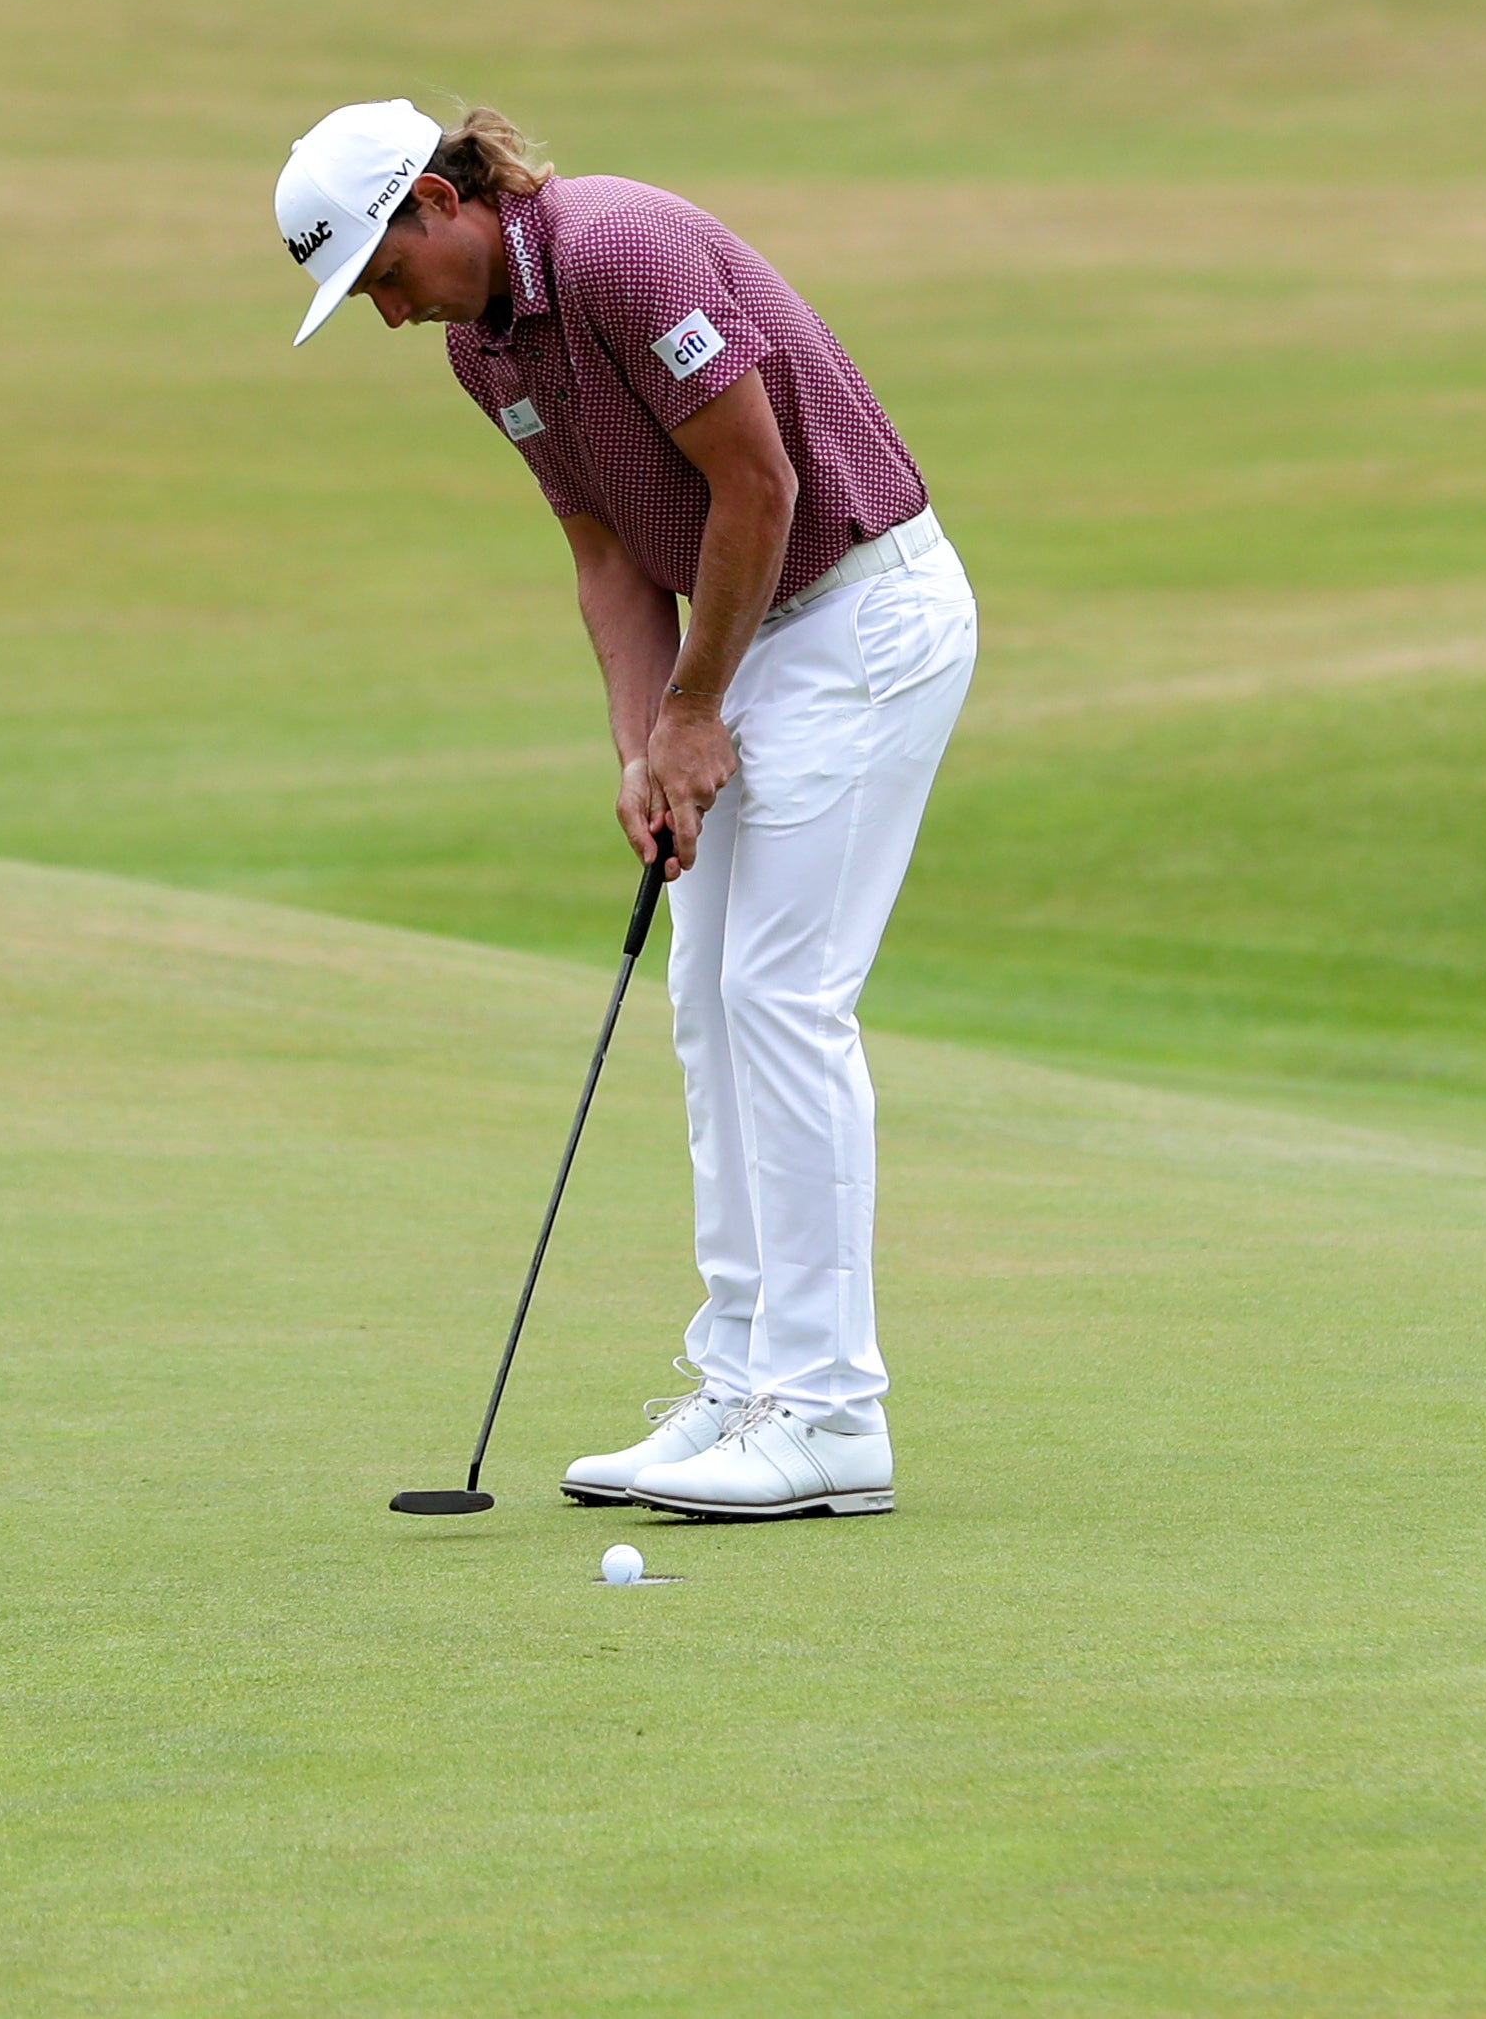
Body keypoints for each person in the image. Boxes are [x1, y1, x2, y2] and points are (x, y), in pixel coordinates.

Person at [275, 99, 976, 1521]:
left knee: (780, 997)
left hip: (859, 614)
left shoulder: (617, 245)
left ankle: (831, 1413)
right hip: (745, 645)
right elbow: (602, 551)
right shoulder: (486, 351)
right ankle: (740, 1388)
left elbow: (758, 484)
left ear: (433, 200)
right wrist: (641, 748)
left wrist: (694, 709)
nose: (389, 317)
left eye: (382, 277)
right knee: (705, 1005)